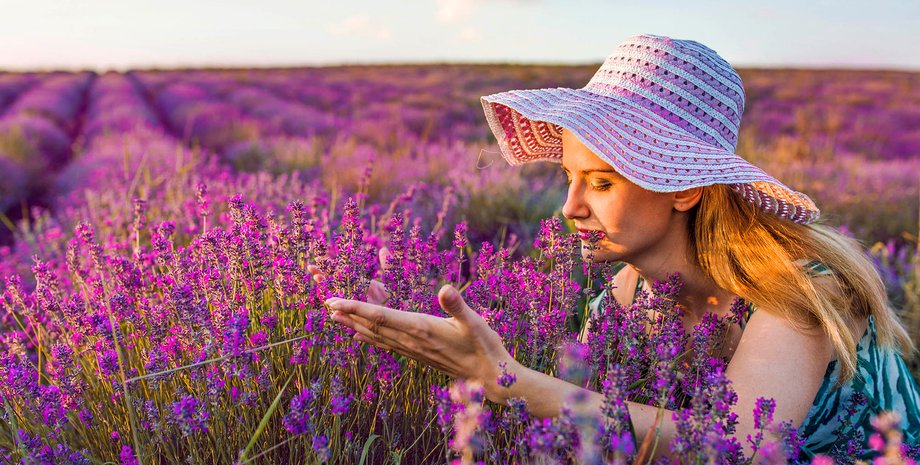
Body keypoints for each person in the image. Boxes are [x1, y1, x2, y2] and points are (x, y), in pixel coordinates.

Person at [324, 34, 920, 460]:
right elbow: (585, 411)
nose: (569, 207)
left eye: (602, 183)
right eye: (569, 177)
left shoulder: (797, 287)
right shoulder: (625, 295)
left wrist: (506, 379)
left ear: (683, 187)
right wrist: (432, 340)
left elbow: (740, 447)